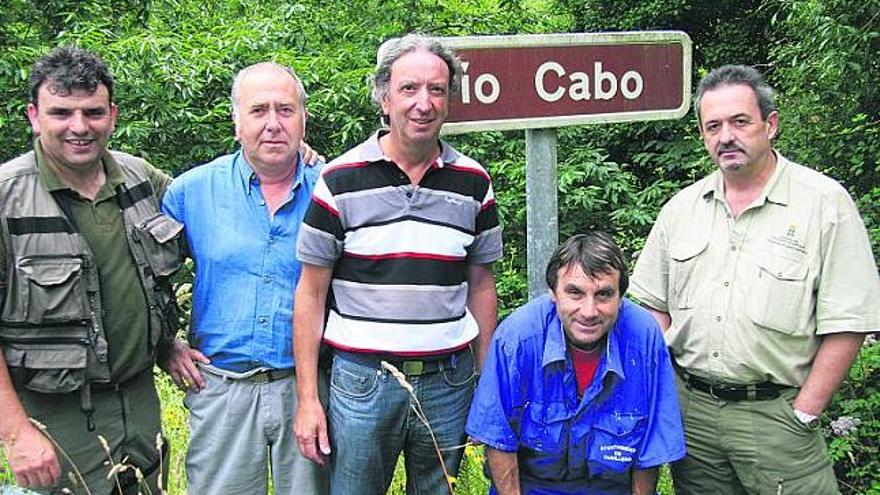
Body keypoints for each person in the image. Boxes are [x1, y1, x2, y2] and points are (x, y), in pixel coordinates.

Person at [630, 64, 880, 494]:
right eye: (713, 126)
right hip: (694, 417)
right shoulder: (681, 209)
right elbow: (652, 303)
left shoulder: (823, 204)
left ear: (771, 124)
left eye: (739, 121)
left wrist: (806, 410)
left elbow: (849, 320)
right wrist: (668, 391)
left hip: (778, 417)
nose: (726, 136)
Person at [292, 34, 503, 495]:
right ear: (384, 97)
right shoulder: (339, 180)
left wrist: (488, 385)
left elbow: (482, 285)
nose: (423, 103)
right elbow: (310, 292)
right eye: (409, 89)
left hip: (450, 381)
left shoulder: (474, 182)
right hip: (363, 383)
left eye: (437, 89)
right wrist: (308, 399)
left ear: (451, 100)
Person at [0, 46, 183, 494]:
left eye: (92, 112)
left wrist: (295, 159)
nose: (79, 127)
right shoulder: (6, 198)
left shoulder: (139, 178)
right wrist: (17, 433)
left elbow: (215, 200)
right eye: (61, 112)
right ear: (33, 115)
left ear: (113, 114)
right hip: (56, 417)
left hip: (140, 404)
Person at [160, 62, 328, 494]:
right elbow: (148, 279)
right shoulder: (190, 192)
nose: (273, 124)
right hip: (221, 391)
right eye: (258, 111)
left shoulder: (331, 191)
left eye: (286, 110)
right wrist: (165, 343)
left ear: (303, 119)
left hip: (309, 389)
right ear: (236, 121)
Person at [467, 232, 685, 495]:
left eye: (604, 294)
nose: (589, 311)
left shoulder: (644, 338)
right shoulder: (517, 338)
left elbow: (650, 451)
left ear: (621, 296)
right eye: (575, 293)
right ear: (553, 293)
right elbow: (498, 440)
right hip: (534, 488)